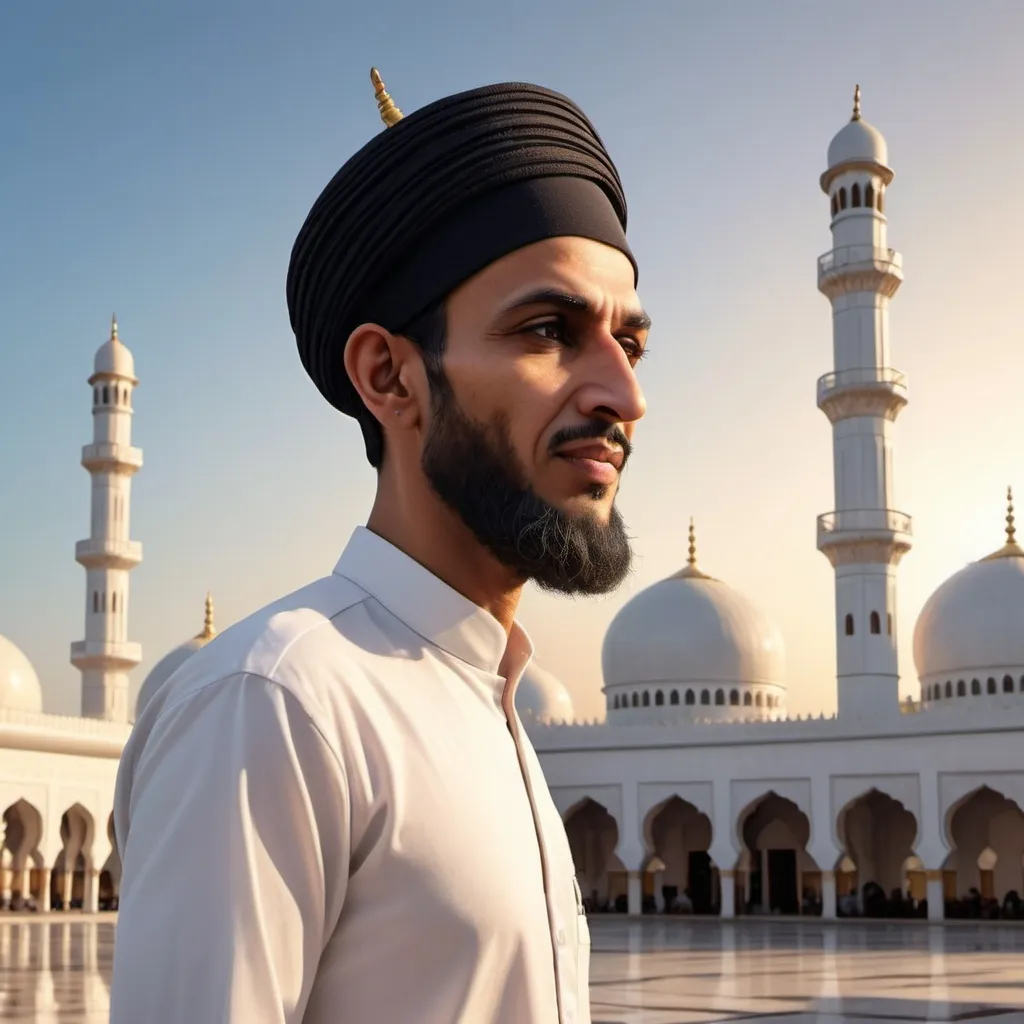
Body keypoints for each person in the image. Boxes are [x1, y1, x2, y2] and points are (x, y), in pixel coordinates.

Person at [110, 68, 650, 1024]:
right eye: (549, 331)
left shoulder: (488, 703)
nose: (622, 395)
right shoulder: (277, 707)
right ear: (390, 377)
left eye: (630, 344)